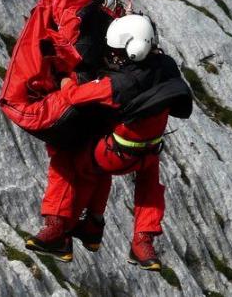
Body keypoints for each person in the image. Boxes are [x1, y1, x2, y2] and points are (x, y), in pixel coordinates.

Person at [26, 15, 193, 271]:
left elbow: (74, 95)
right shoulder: (166, 65)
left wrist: (66, 79)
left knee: (68, 159)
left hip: (115, 154)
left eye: (117, 52)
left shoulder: (120, 84)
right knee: (148, 186)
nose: (113, 57)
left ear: (132, 51)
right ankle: (141, 241)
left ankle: (58, 228)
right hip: (149, 152)